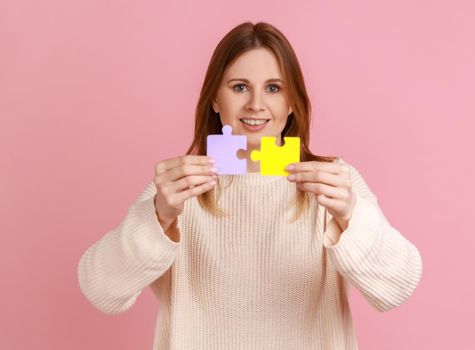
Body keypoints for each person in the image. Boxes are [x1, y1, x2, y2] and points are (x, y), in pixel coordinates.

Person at [77, 21, 423, 350]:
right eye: (239, 87)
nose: (256, 104)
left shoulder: (334, 182)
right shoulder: (179, 188)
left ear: (291, 103)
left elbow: (397, 287)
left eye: (273, 88)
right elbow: (101, 291)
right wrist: (157, 217)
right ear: (215, 99)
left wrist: (351, 215)